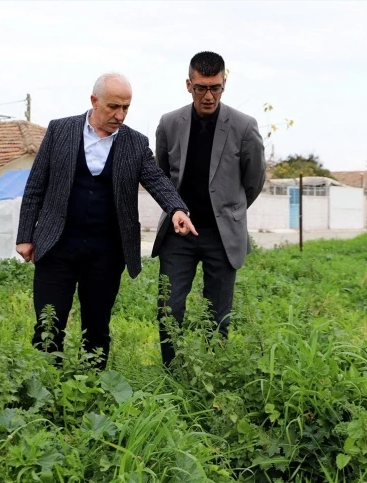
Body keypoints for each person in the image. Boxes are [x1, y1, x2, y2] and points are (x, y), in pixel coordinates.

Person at [16, 73, 197, 369]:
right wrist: (25, 235)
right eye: (114, 106)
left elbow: (156, 180)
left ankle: (89, 390)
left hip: (106, 253)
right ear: (94, 101)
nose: (120, 115)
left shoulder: (135, 143)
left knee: (97, 327)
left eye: (126, 107)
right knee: (48, 324)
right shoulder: (60, 131)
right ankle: (44, 390)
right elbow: (36, 184)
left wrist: (177, 209)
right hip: (57, 245)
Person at [152, 52, 266, 367]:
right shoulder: (169, 123)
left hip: (222, 236)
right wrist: (176, 210)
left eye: (215, 88)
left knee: (218, 316)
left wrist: (230, 212)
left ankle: (213, 376)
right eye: (201, 88)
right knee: (168, 309)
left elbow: (254, 180)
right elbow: (162, 177)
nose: (208, 95)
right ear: (189, 85)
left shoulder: (244, 127)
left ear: (224, 85)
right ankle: (172, 375)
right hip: (179, 235)